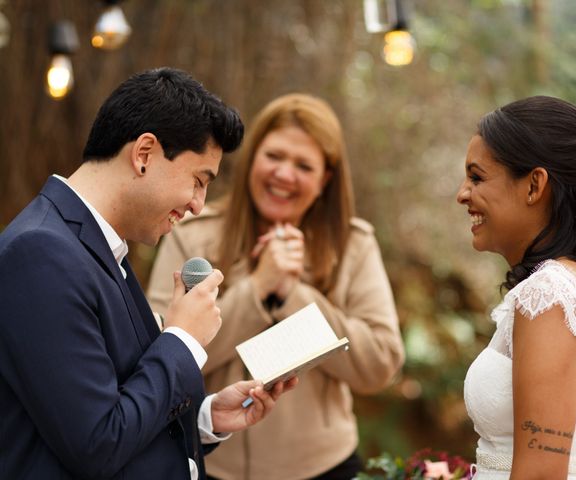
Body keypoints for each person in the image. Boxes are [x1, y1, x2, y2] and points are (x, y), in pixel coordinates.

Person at [0, 67, 297, 480]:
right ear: (144, 154)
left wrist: (206, 418)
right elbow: (98, 443)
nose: (197, 204)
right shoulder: (39, 253)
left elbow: (114, 405)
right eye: (198, 180)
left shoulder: (99, 247)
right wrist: (182, 340)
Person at [147, 93, 405, 480]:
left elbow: (380, 365)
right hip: (211, 463)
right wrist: (257, 288)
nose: (284, 174)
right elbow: (158, 353)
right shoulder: (191, 236)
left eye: (303, 165)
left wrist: (293, 293)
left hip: (324, 467)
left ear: (325, 179)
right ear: (252, 159)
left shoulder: (353, 244)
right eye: (274, 157)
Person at [458, 96, 576, 479]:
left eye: (477, 177)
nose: (462, 194)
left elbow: (540, 474)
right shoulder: (574, 286)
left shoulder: (552, 296)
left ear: (534, 184)